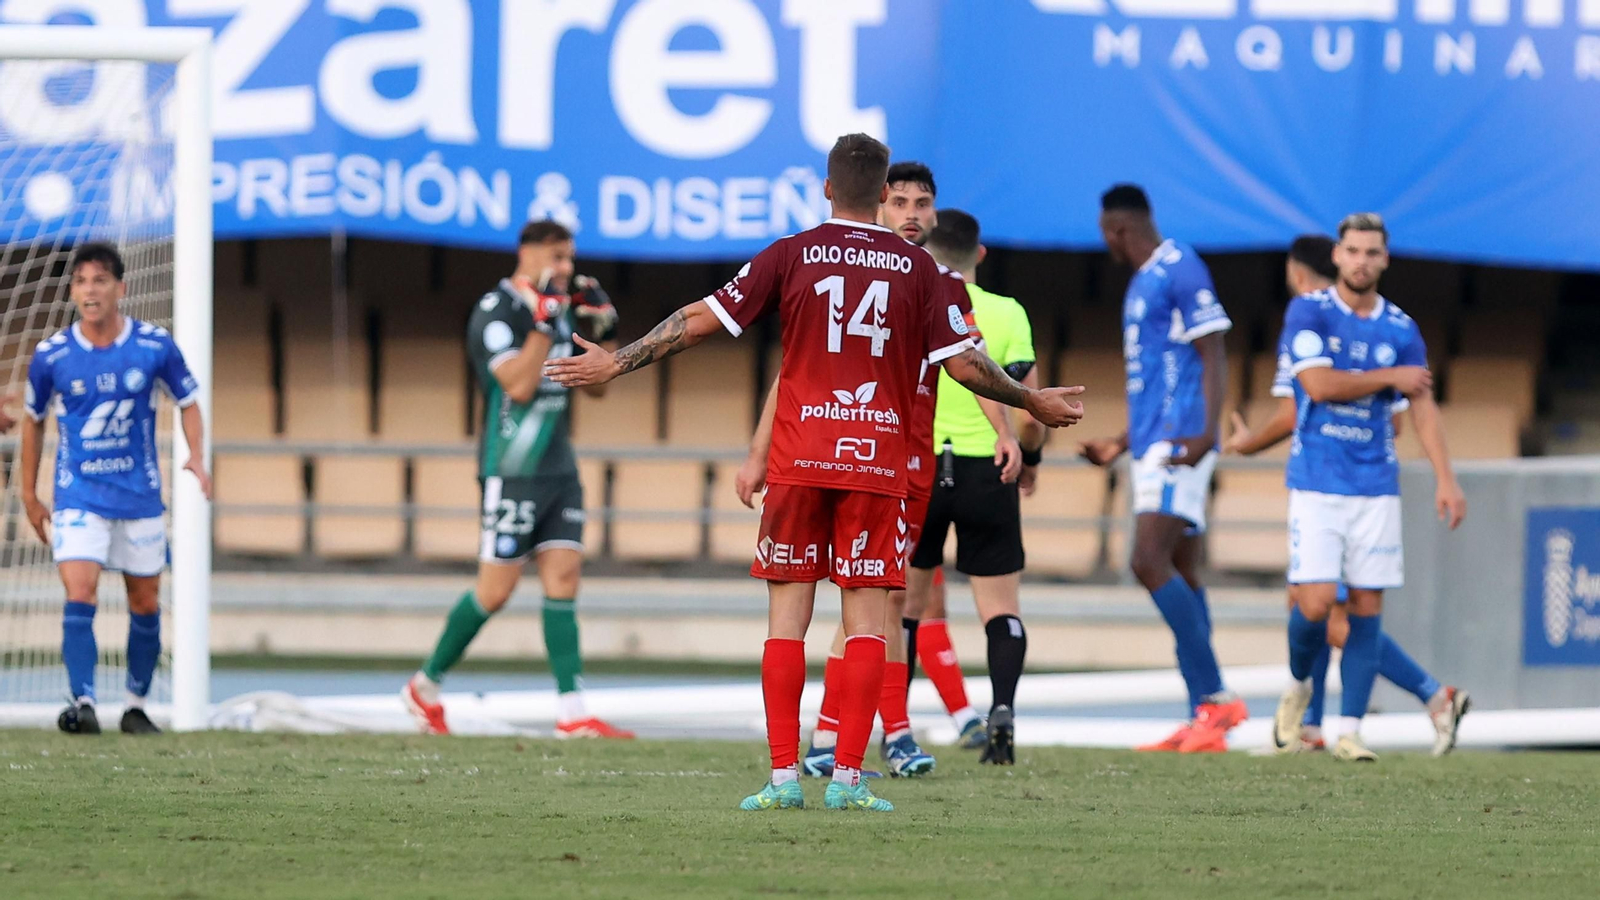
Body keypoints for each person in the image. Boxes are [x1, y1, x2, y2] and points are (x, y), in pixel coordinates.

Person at [545, 133, 1084, 812]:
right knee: (867, 621)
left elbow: (700, 320)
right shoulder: (923, 273)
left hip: (799, 458)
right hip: (877, 463)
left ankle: (780, 777)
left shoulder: (790, 254)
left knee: (785, 622)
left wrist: (616, 362)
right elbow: (965, 365)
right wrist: (1030, 397)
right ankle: (849, 779)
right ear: (884, 194)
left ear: (828, 189)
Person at [735, 164, 1017, 778]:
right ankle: (884, 736)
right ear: (879, 207)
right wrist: (760, 450)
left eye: (922, 203)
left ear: (936, 215)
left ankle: (834, 743)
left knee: (883, 606)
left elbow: (972, 364)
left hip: (902, 462)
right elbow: (794, 370)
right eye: (899, 201)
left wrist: (1004, 428)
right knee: (878, 607)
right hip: (849, 457)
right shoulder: (859, 269)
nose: (911, 212)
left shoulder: (934, 283)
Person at [1226, 234, 1471, 756]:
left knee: (1355, 611)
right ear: (1337, 257)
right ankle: (1408, 696)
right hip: (1317, 482)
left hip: (1372, 485)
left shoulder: (1400, 328)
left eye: (1371, 253)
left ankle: (1339, 729)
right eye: (1352, 251)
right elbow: (1314, 390)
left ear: (1384, 260)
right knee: (1314, 606)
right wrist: (1387, 381)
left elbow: (1410, 411)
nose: (1361, 262)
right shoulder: (1308, 317)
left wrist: (1445, 476)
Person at [401, 220, 632, 739]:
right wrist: (546, 321)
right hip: (511, 469)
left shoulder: (561, 307)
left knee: (565, 578)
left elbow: (595, 391)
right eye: (558, 256)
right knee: (496, 591)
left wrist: (604, 330)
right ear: (528, 253)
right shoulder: (495, 311)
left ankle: (572, 712)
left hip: (558, 466)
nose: (567, 268)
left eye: (571, 258)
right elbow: (521, 385)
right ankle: (424, 686)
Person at [1080, 184, 1248, 753]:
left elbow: (1213, 346)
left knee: (1145, 559)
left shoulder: (1180, 266)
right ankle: (1204, 716)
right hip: (1154, 441)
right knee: (1182, 573)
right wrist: (1121, 442)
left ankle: (1218, 700)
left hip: (1182, 440)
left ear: (1118, 229)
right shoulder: (1142, 282)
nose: (1106, 242)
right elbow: (1158, 377)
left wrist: (1208, 430)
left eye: (1106, 234)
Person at [18, 242, 211, 735]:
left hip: (138, 495)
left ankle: (135, 706)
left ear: (120, 288)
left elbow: (188, 400)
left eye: (99, 280)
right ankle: (82, 702)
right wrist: (28, 493)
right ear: (72, 291)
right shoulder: (52, 355)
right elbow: (33, 420)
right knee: (79, 591)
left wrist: (196, 455)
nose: (89, 290)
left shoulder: (153, 345)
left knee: (144, 601)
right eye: (81, 281)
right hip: (79, 495)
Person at [909, 209, 1046, 765]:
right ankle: (1002, 714)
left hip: (920, 466)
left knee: (906, 610)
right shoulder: (1008, 311)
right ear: (980, 255)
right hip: (988, 465)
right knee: (1000, 609)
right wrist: (1029, 457)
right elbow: (1032, 410)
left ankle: (893, 728)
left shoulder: (913, 298)